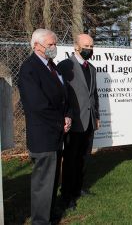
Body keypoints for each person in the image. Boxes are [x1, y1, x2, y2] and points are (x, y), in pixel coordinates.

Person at [18, 29, 71, 224]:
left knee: (52, 177)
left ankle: (49, 213)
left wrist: (67, 116)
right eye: (50, 44)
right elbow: (37, 104)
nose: (54, 47)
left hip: (56, 131)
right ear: (36, 46)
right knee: (43, 181)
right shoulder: (29, 69)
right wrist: (60, 121)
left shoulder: (52, 66)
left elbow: (63, 96)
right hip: (43, 133)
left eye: (55, 44)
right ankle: (40, 220)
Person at [57, 34, 100, 209]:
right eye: (86, 45)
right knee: (70, 160)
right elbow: (61, 95)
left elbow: (94, 95)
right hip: (73, 122)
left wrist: (97, 116)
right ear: (76, 46)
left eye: (91, 46)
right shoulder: (65, 66)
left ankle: (78, 189)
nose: (89, 49)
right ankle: (66, 196)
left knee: (83, 158)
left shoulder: (92, 68)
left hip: (89, 121)